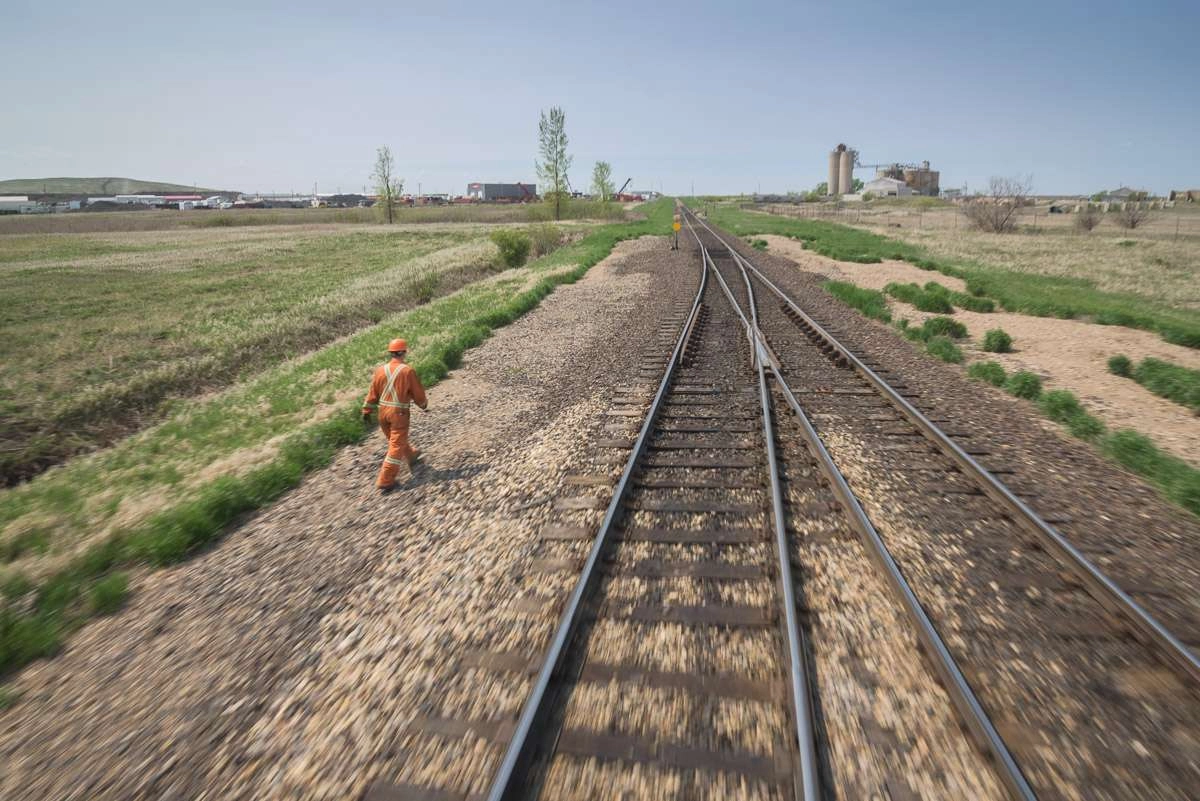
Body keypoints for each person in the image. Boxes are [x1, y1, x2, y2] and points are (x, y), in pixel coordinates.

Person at [362, 338, 428, 492]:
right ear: (403, 352)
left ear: (391, 353)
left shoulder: (380, 370)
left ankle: (411, 456)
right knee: (395, 445)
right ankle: (385, 480)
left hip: (382, 413)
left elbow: (372, 392)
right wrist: (423, 404)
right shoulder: (407, 371)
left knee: (395, 440)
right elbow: (417, 393)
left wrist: (366, 410)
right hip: (398, 413)